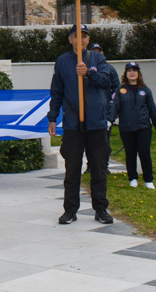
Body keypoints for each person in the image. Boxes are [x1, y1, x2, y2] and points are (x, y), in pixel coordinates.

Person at [48, 24, 114, 225]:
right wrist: (53, 117)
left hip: (96, 123)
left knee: (98, 167)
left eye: (84, 36)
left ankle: (101, 209)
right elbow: (57, 91)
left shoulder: (97, 58)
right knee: (72, 168)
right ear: (70, 39)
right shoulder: (62, 61)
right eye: (77, 36)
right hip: (73, 124)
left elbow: (107, 81)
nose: (81, 40)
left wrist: (88, 74)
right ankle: (70, 210)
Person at [109, 61, 156, 189]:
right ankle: (132, 178)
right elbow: (115, 107)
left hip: (143, 127)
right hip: (126, 127)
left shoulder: (145, 90)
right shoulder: (120, 90)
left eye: (134, 70)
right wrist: (109, 120)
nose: (132, 73)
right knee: (130, 153)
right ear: (126, 73)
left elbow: (152, 108)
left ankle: (148, 179)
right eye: (129, 70)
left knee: (144, 153)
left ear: (138, 73)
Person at [89, 43, 118, 176]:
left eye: (99, 51)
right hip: (91, 109)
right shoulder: (87, 68)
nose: (98, 54)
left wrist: (113, 106)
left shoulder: (109, 69)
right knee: (89, 140)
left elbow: (116, 88)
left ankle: (104, 165)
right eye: (95, 51)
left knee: (104, 140)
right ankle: (90, 165)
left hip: (106, 109)